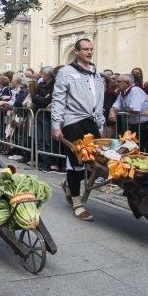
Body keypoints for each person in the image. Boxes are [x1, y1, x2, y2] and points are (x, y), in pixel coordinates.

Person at [51, 38, 105, 221]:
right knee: (76, 162)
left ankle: (68, 184)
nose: (89, 52)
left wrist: (101, 123)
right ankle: (77, 204)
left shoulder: (96, 74)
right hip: (73, 122)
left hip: (91, 122)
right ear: (76, 51)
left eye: (91, 49)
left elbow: (99, 101)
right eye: (85, 49)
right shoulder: (66, 72)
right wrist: (56, 125)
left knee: (95, 162)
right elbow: (58, 99)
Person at [109, 73, 148, 153]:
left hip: (143, 125)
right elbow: (116, 105)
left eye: (119, 82)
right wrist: (112, 111)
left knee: (139, 149)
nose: (116, 83)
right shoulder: (122, 92)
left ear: (127, 83)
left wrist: (122, 111)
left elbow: (135, 109)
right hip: (134, 124)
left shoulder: (135, 90)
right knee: (131, 148)